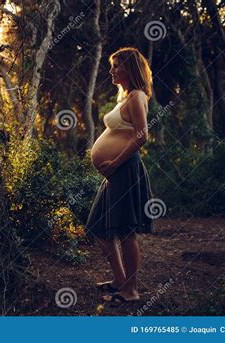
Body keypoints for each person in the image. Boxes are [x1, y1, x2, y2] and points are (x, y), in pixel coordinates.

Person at [86, 47, 155, 303]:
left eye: (117, 66)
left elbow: (141, 135)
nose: (112, 70)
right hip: (115, 173)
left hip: (124, 170)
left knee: (126, 231)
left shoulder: (137, 96)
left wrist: (114, 162)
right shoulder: (125, 97)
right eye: (112, 65)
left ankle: (131, 291)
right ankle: (119, 279)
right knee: (99, 227)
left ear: (130, 69)